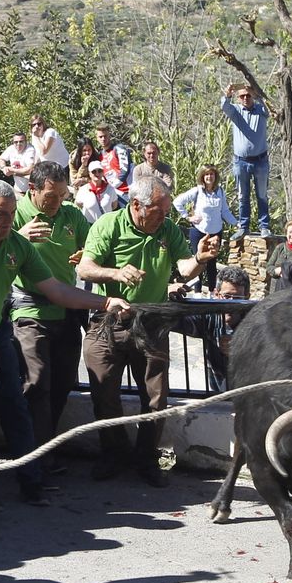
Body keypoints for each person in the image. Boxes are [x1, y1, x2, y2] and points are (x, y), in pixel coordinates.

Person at [0, 179, 125, 508]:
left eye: (10, 215)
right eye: (0, 215)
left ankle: (30, 480)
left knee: (17, 410)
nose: (7, 222)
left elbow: (56, 290)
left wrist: (104, 303)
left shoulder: (16, 246)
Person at [76, 175, 215, 487]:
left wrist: (201, 260)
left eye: (166, 212)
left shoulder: (166, 229)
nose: (164, 218)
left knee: (155, 397)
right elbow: (84, 268)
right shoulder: (109, 225)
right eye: (159, 212)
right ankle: (113, 453)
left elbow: (184, 268)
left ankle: (147, 458)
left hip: (152, 321)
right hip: (109, 319)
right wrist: (115, 273)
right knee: (104, 392)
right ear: (136, 206)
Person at [12, 161, 91, 465]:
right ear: (32, 189)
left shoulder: (71, 214)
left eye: (62, 195)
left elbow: (91, 247)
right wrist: (19, 236)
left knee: (62, 382)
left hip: (67, 310)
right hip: (30, 309)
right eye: (50, 196)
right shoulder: (17, 213)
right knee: (37, 381)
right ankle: (32, 459)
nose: (57, 202)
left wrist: (85, 253)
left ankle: (44, 447)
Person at [176, 265, 252, 392]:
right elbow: (177, 321)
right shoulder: (210, 318)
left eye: (237, 298)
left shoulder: (256, 322)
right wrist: (171, 298)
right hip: (217, 392)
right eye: (226, 296)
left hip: (251, 394)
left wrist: (240, 352)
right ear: (216, 294)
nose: (230, 304)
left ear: (247, 297)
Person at [175, 163, 236, 291]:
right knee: (199, 263)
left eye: (212, 174)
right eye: (207, 174)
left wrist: (237, 224)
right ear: (202, 176)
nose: (209, 177)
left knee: (212, 265)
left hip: (216, 232)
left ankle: (212, 293)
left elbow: (224, 211)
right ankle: (197, 293)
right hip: (199, 231)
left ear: (215, 176)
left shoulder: (220, 192)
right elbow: (177, 202)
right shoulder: (197, 191)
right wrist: (188, 217)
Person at [221, 82, 271, 236]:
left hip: (260, 160)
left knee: (262, 195)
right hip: (241, 161)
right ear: (238, 98)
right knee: (243, 196)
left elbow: (270, 106)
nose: (245, 98)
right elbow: (224, 106)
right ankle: (244, 227)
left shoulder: (261, 110)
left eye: (248, 95)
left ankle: (264, 226)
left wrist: (255, 91)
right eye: (242, 96)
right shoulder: (235, 111)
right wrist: (228, 94)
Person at [266, 219, 292, 294]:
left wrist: (284, 270)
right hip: (275, 290)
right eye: (290, 232)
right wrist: (276, 271)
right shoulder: (280, 247)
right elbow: (269, 267)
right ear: (286, 233)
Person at [0, 130, 36, 195]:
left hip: (31, 191)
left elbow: (30, 169)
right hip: (17, 189)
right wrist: (4, 167)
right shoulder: (11, 149)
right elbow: (0, 159)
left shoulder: (30, 150)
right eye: (16, 142)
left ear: (26, 142)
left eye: (21, 141)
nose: (18, 144)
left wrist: (12, 170)